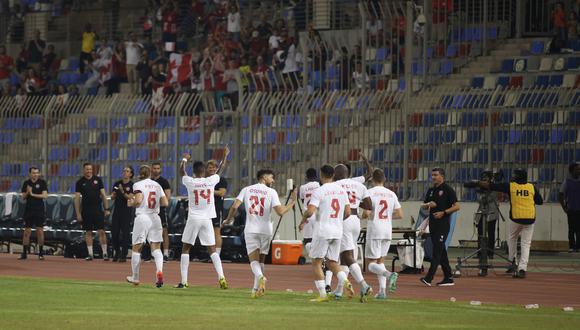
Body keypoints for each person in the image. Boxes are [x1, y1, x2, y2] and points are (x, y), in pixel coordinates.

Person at [223, 169, 296, 298]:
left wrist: (228, 219)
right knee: (261, 260)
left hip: (251, 229)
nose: (273, 180)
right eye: (271, 177)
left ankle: (261, 277)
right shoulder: (271, 192)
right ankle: (256, 290)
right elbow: (280, 212)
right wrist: (292, 202)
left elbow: (234, 206)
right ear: (264, 177)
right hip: (266, 230)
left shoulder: (247, 189)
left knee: (253, 261)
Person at [176, 148, 230, 289]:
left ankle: (184, 281)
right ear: (204, 171)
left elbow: (182, 171)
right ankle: (222, 277)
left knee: (185, 248)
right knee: (212, 249)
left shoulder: (190, 182)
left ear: (194, 172)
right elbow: (221, 169)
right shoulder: (211, 181)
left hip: (194, 217)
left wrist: (184, 159)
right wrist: (224, 156)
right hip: (207, 219)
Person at [475, 168, 543, 278]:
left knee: (512, 239)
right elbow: (540, 201)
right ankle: (522, 269)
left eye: (514, 175)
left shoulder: (511, 186)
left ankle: (512, 263)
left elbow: (493, 186)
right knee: (526, 244)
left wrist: (479, 183)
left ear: (517, 177)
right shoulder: (532, 187)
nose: (512, 177)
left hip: (516, 218)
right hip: (530, 218)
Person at [299, 164, 352, 303]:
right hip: (337, 231)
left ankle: (322, 294)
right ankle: (346, 282)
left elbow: (310, 211)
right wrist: (337, 221)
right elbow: (348, 212)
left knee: (316, 262)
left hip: (323, 231)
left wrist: (303, 219)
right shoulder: (341, 191)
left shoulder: (320, 191)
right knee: (333, 262)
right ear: (333, 175)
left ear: (321, 176)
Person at [360, 169, 403, 300]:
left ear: (372, 180)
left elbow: (366, 213)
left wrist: (363, 216)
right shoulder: (391, 194)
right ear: (384, 179)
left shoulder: (369, 193)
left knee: (371, 264)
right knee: (381, 261)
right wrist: (387, 216)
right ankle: (382, 291)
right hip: (387, 230)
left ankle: (390, 275)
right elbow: (400, 214)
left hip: (375, 230)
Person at [332, 164, 373, 302]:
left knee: (346, 255)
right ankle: (338, 291)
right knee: (345, 257)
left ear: (337, 174)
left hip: (343, 219)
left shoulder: (336, 185)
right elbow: (369, 205)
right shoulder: (358, 185)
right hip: (356, 220)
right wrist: (355, 203)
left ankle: (364, 284)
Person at [126, 165, 169, 287]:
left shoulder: (138, 185)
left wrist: (131, 203)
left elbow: (138, 200)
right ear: (150, 173)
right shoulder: (157, 185)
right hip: (155, 218)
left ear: (140, 174)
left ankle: (135, 277)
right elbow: (165, 202)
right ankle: (159, 271)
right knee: (156, 248)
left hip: (143, 217)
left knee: (136, 247)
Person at [420, 167, 460, 287]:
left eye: (435, 175)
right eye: (432, 175)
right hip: (433, 224)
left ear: (442, 176)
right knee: (441, 251)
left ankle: (429, 277)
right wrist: (428, 205)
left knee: (436, 251)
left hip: (443, 224)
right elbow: (423, 206)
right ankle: (448, 277)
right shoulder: (431, 190)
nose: (433, 177)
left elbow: (457, 206)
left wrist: (444, 212)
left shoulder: (448, 190)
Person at [74, 163, 111, 261]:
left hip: (97, 209)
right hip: (86, 210)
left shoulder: (98, 180)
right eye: (87, 169)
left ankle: (105, 253)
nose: (89, 171)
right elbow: (77, 199)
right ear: (83, 170)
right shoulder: (80, 182)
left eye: (90, 169)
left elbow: (103, 195)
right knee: (88, 232)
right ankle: (90, 254)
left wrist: (106, 208)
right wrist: (78, 213)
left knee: (101, 231)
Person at [18, 167, 48, 260]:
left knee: (40, 231)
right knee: (27, 231)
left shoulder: (42, 183)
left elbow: (45, 195)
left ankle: (41, 253)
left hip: (39, 210)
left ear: (39, 174)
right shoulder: (26, 183)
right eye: (33, 173)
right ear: (30, 174)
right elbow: (23, 197)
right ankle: (24, 253)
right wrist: (28, 192)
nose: (35, 174)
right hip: (29, 210)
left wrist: (33, 194)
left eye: (37, 173)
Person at [111, 166, 134, 262]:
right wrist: (113, 195)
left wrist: (122, 191)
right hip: (117, 210)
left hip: (126, 211)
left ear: (131, 174)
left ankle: (124, 254)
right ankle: (116, 251)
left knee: (125, 233)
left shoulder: (132, 185)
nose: (125, 172)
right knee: (114, 233)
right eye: (124, 170)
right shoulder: (117, 183)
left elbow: (130, 197)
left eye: (127, 171)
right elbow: (113, 196)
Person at [475, 174, 499, 259]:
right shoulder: (480, 189)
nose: (484, 182)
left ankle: (490, 253)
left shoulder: (494, 188)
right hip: (482, 212)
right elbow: (479, 200)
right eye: (483, 180)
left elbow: (490, 198)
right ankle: (480, 252)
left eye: (486, 180)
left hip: (492, 213)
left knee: (491, 233)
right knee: (480, 232)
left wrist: (486, 192)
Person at [151, 162, 172, 261]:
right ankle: (153, 252)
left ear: (160, 169)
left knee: (164, 230)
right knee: (151, 231)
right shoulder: (149, 181)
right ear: (151, 169)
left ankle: (166, 253)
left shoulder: (164, 182)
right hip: (150, 210)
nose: (156, 170)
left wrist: (158, 203)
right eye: (154, 168)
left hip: (161, 210)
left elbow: (168, 197)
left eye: (158, 168)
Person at [298, 168, 320, 257]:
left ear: (306, 176)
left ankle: (313, 256)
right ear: (316, 175)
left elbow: (303, 201)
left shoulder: (303, 187)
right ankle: (318, 257)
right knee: (318, 238)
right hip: (318, 214)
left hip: (307, 215)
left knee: (307, 239)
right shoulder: (319, 185)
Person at [207, 160, 227, 256]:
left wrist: (209, 190)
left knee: (216, 231)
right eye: (210, 167)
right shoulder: (205, 180)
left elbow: (222, 193)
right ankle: (211, 254)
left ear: (216, 168)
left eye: (214, 167)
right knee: (207, 233)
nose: (212, 169)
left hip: (216, 208)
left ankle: (217, 254)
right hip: (206, 209)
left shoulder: (221, 180)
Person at [559, 163, 580, 253]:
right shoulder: (567, 182)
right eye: (577, 169)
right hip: (571, 209)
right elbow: (561, 194)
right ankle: (572, 246)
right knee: (571, 229)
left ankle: (578, 247)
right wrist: (564, 207)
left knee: (579, 229)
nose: (579, 171)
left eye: (579, 169)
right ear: (571, 171)